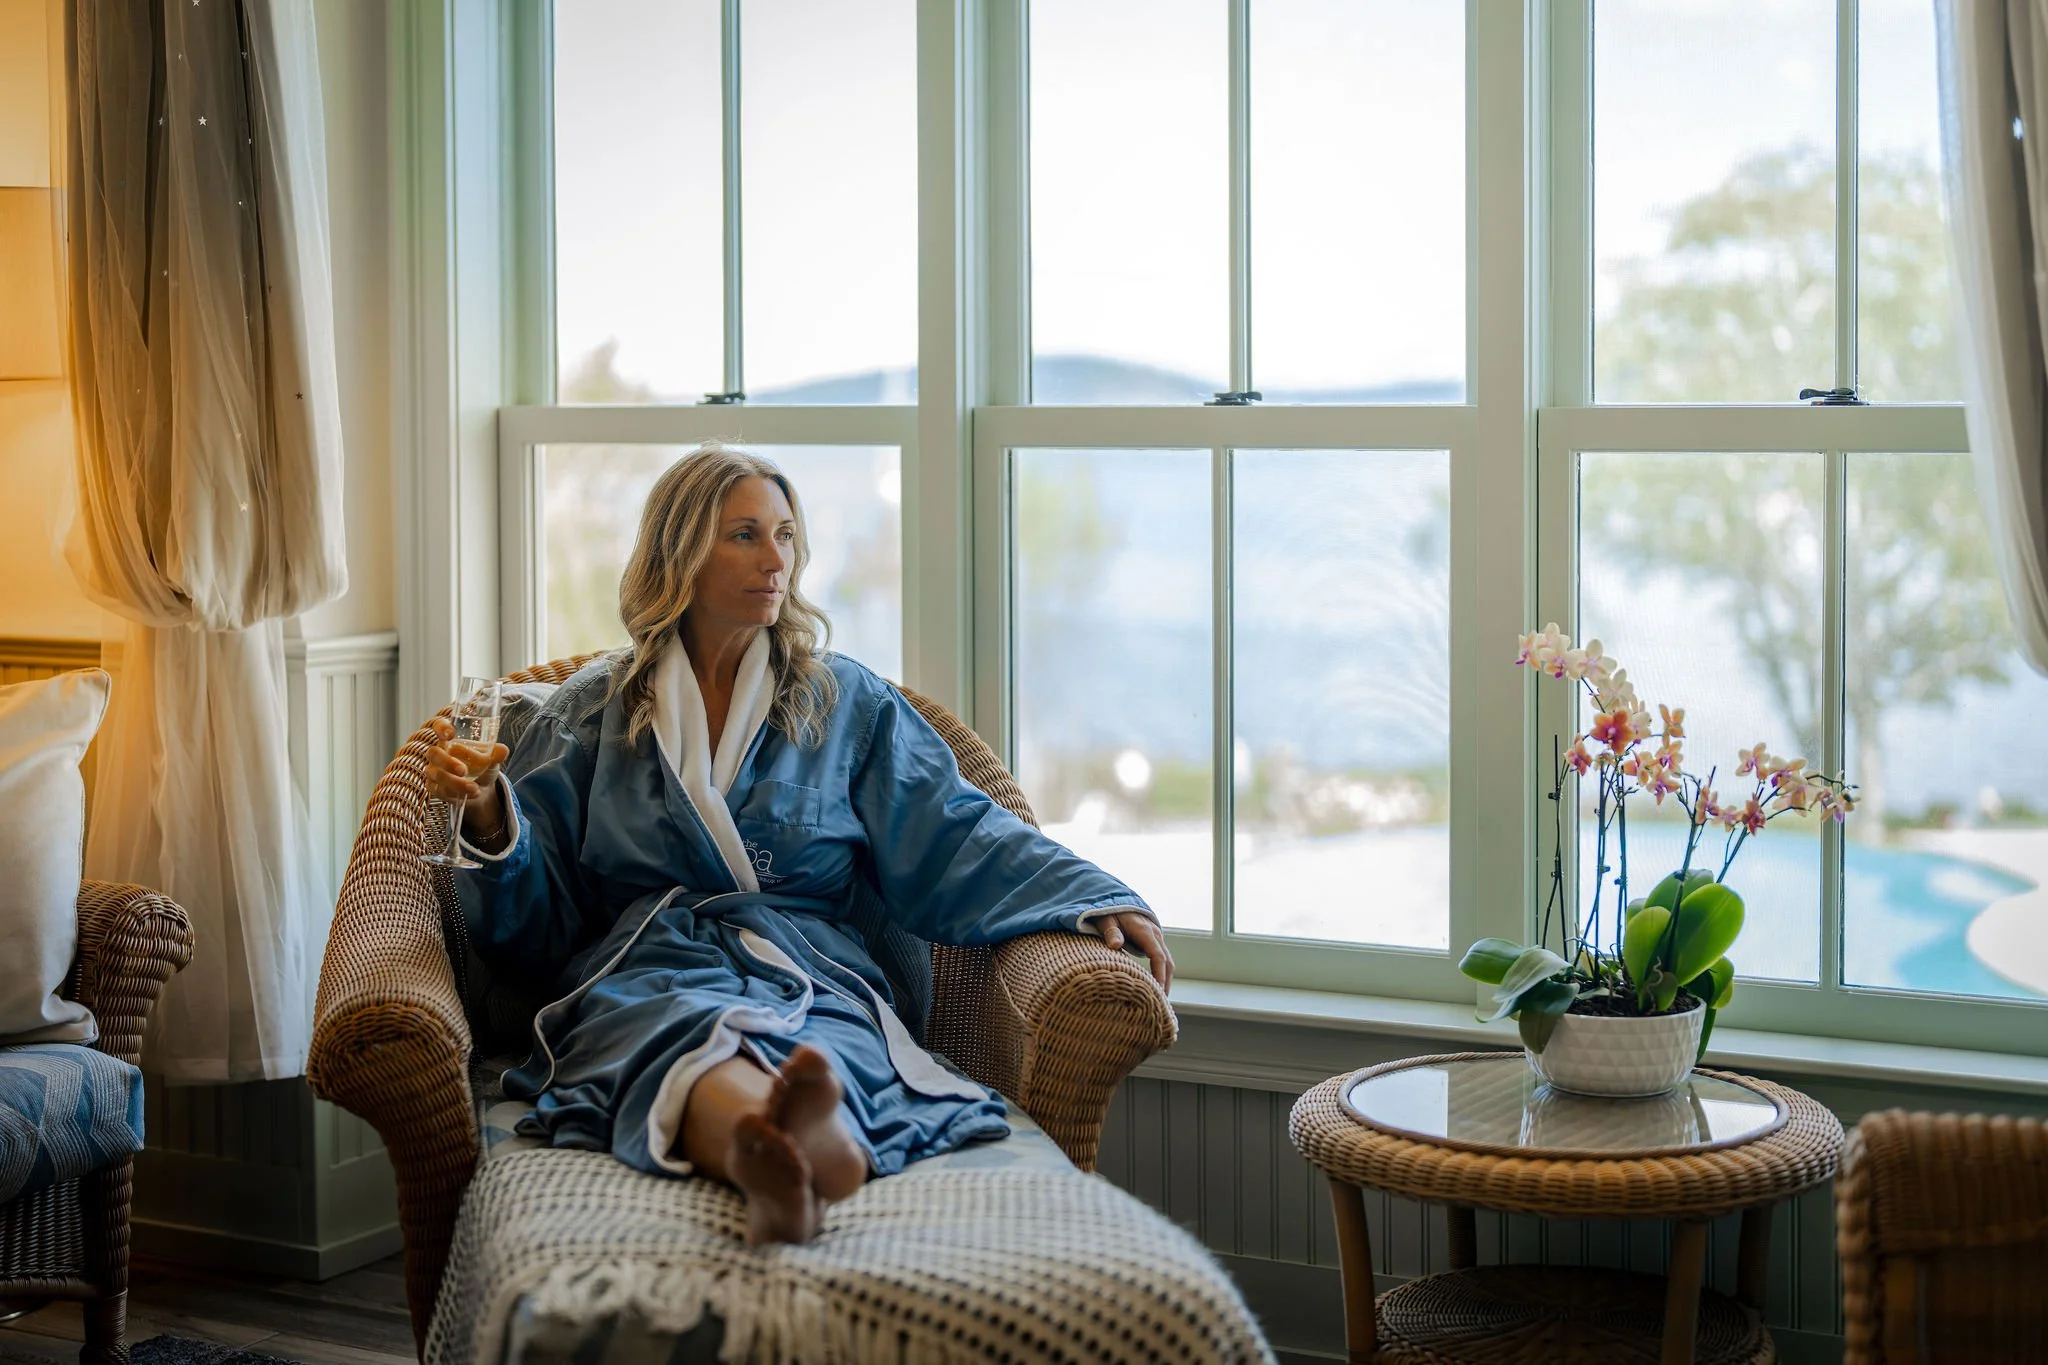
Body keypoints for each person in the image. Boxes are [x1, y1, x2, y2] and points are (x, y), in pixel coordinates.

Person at [423, 443, 1171, 1245]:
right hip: (644, 963)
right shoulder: (592, 710)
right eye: (745, 535)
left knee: (820, 1037)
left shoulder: (845, 702)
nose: (776, 559)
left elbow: (954, 831)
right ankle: (786, 1148)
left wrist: (1088, 893)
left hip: (809, 965)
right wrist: (490, 816)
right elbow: (539, 919)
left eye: (786, 536)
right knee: (667, 1024)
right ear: (679, 550)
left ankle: (791, 1143)